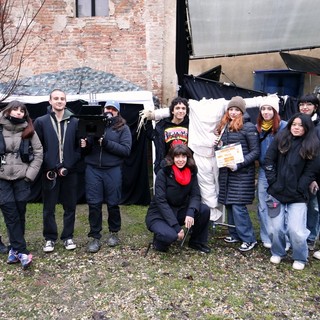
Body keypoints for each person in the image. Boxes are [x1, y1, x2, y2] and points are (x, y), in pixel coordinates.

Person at [264, 113, 320, 270]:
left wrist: (300, 187)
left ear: (307, 128)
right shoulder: (281, 138)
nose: (296, 127)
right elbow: (269, 160)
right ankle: (278, 252)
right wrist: (273, 182)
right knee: (275, 228)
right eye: (294, 124)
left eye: (301, 125)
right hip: (276, 192)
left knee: (296, 230)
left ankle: (300, 257)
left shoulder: (313, 145)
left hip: (298, 196)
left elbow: (311, 171)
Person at [80, 100, 132, 253]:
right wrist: (85, 145)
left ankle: (114, 233)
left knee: (113, 203)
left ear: (118, 112)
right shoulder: (94, 124)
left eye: (113, 109)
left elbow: (125, 150)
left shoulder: (123, 128)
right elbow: (86, 149)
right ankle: (95, 236)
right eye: (107, 108)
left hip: (113, 169)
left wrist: (105, 142)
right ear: (103, 109)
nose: (110, 111)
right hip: (93, 169)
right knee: (94, 204)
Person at [34, 89, 81, 253]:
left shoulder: (75, 121)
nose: (59, 101)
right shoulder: (41, 121)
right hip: (50, 171)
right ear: (50, 101)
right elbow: (37, 147)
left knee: (70, 206)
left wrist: (70, 162)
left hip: (70, 171)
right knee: (49, 207)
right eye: (56, 98)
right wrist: (49, 162)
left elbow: (79, 147)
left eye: (62, 98)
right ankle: (50, 238)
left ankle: (68, 237)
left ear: (66, 102)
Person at [0, 101, 43, 269]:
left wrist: (29, 175)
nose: (18, 113)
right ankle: (22, 252)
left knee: (20, 212)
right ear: (8, 111)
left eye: (22, 111)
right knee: (10, 214)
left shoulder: (28, 130)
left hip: (21, 178)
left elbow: (39, 153)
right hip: (2, 179)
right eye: (15, 109)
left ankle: (14, 250)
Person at [145, 144, 211, 253]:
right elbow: (161, 201)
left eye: (183, 157)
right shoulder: (163, 173)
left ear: (188, 158)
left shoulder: (191, 172)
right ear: (172, 158)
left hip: (179, 210)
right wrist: (176, 227)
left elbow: (196, 195)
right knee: (170, 236)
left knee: (204, 209)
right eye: (177, 157)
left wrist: (190, 212)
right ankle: (158, 242)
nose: (180, 160)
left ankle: (196, 242)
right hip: (159, 214)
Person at [215, 96, 260, 251]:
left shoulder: (248, 127)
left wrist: (238, 164)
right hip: (227, 173)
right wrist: (218, 145)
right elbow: (224, 150)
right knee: (229, 204)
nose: (233, 112)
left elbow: (255, 152)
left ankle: (248, 238)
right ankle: (235, 234)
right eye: (231, 109)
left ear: (242, 111)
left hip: (241, 174)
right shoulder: (225, 126)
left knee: (238, 207)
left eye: (236, 110)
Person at [256, 95, 287, 248]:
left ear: (275, 110)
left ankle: (283, 237)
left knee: (280, 204)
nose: (266, 112)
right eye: (263, 109)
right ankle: (266, 236)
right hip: (263, 171)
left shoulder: (285, 127)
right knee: (262, 204)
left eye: (269, 108)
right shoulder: (259, 128)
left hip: (280, 171)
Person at [298, 93, 320, 251]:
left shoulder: (318, 127)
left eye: (309, 104)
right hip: (298, 172)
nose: (305, 107)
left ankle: (310, 238)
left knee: (313, 206)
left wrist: (314, 178)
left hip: (315, 175)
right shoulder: (296, 123)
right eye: (302, 104)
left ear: (315, 107)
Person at [153, 97, 189, 174]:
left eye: (183, 108)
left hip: (185, 163)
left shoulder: (191, 125)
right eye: (177, 108)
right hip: (167, 164)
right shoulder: (162, 125)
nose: (180, 111)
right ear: (172, 111)